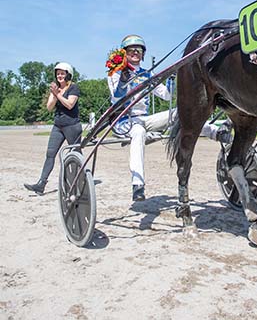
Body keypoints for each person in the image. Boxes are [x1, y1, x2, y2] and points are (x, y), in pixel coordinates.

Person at [107, 34, 231, 202]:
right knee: (138, 132)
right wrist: (123, 81)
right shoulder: (115, 73)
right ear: (124, 53)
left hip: (144, 118)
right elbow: (116, 99)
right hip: (124, 121)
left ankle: (215, 132)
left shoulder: (146, 74)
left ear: (142, 54)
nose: (135, 53)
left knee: (180, 113)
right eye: (131, 50)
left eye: (139, 50)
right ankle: (137, 184)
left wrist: (172, 82)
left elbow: (166, 96)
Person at [24, 62, 82, 195]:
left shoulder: (73, 88)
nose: (60, 76)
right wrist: (55, 94)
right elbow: (49, 107)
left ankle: (79, 182)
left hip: (72, 126)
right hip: (58, 126)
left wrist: (58, 94)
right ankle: (41, 184)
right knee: (50, 154)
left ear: (68, 74)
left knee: (76, 155)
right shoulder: (56, 89)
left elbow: (70, 105)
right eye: (58, 73)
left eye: (62, 73)